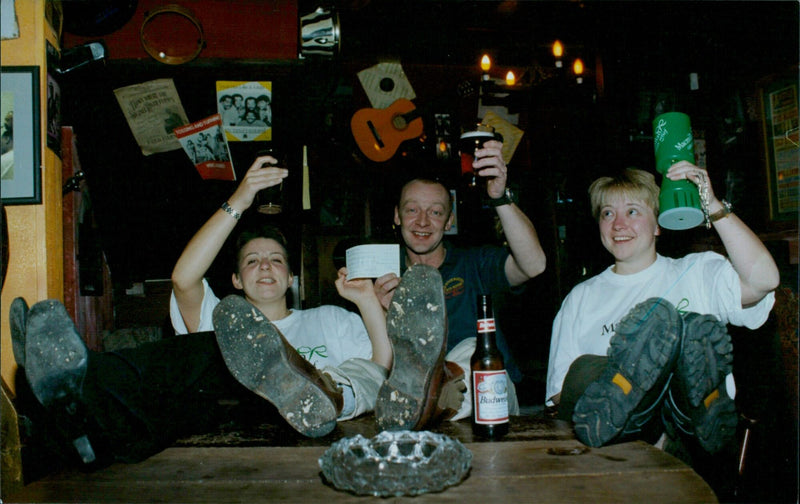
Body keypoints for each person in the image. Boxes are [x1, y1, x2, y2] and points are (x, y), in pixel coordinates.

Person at [9, 154, 394, 468]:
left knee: (215, 352)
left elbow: (378, 368)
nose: (264, 266)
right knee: (213, 346)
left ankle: (74, 390)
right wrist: (239, 200)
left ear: (292, 277)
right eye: (252, 261)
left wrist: (365, 302)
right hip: (220, 420)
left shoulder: (328, 318)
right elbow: (184, 278)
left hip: (300, 422)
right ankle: (74, 396)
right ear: (237, 280)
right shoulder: (223, 315)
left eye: (276, 260)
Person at [545, 164, 779, 455]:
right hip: (613, 448)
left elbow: (765, 280)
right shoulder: (581, 297)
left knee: (684, 337)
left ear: (658, 224)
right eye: (607, 213)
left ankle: (685, 415)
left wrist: (712, 204)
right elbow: (559, 394)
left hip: (691, 445)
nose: (618, 224)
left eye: (632, 211)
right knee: (584, 371)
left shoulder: (696, 271)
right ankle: (648, 418)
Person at [372, 138, 547, 430]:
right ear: (396, 216)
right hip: (417, 406)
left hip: (490, 401)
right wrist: (382, 314)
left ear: (449, 220)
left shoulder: (474, 263)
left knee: (472, 347)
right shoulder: (383, 279)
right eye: (412, 210)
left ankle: (434, 401)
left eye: (436, 212)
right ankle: (426, 402)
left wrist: (499, 197)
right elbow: (382, 363)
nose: (423, 221)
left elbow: (534, 265)